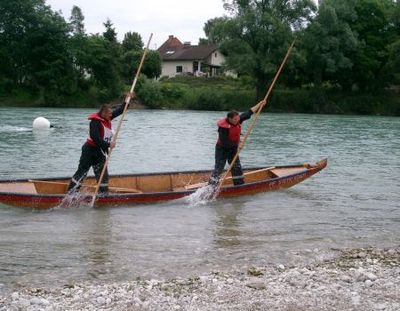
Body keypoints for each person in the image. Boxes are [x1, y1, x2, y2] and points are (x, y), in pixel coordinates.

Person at [67, 93, 134, 194]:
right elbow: (95, 138)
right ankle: (71, 193)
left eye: (111, 114)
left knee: (103, 175)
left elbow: (121, 110)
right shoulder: (95, 122)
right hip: (89, 151)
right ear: (103, 113)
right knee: (82, 172)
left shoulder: (107, 117)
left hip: (99, 152)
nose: (111, 115)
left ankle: (103, 194)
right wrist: (108, 145)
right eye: (109, 114)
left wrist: (127, 100)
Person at [208, 100, 265, 187]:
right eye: (235, 119)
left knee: (236, 166)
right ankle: (211, 186)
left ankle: (239, 185)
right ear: (230, 119)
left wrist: (260, 104)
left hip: (233, 148)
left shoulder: (237, 120)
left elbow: (249, 113)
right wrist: (238, 144)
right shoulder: (223, 128)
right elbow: (225, 142)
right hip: (222, 149)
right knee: (219, 167)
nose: (238, 120)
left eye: (238, 118)